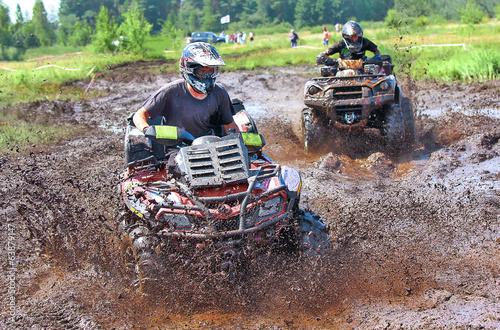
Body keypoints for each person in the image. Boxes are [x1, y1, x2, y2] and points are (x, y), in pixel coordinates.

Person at [133, 42, 239, 143]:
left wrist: (240, 144)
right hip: (178, 148)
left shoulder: (219, 93)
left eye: (211, 71)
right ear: (189, 69)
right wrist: (147, 130)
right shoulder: (170, 92)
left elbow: (230, 126)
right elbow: (139, 115)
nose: (208, 76)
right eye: (202, 71)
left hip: (213, 144)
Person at [316, 21, 381, 63]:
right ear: (346, 36)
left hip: (362, 69)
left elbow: (377, 51)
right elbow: (324, 54)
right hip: (343, 70)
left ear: (359, 35)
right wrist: (333, 61)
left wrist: (373, 60)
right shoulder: (341, 44)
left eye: (356, 36)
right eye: (351, 36)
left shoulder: (364, 42)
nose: (354, 39)